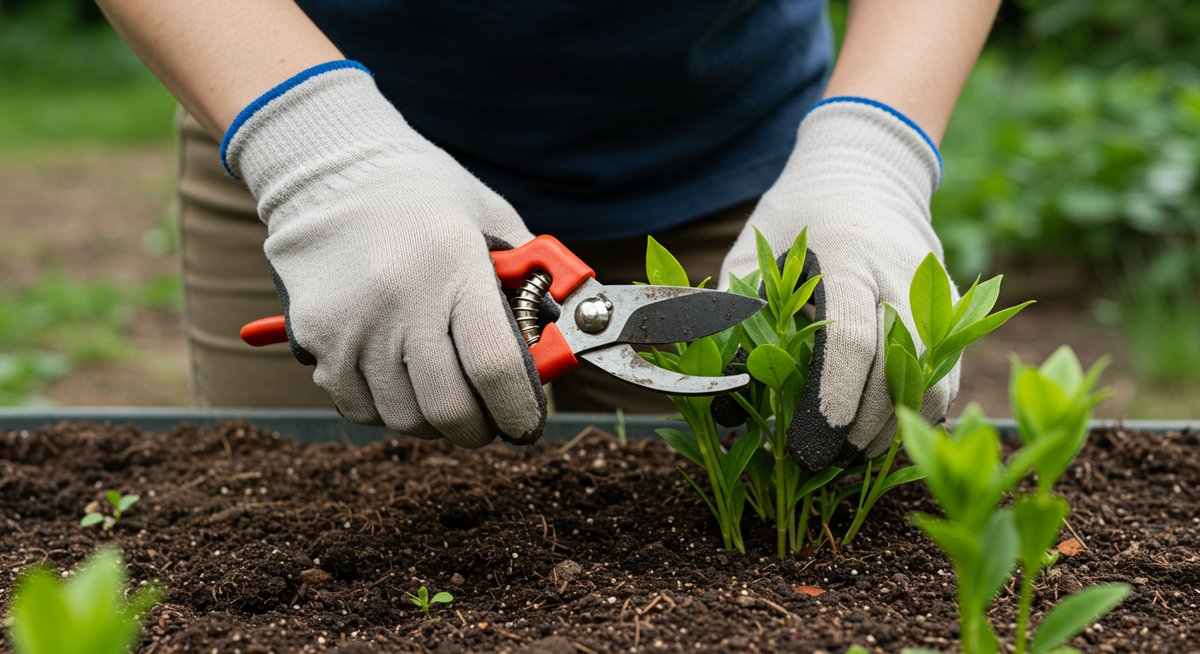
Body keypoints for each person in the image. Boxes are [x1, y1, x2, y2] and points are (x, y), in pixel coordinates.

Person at [97, 0, 997, 468]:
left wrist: (873, 149)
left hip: (748, 161)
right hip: (293, 113)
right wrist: (318, 154)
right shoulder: (315, 156)